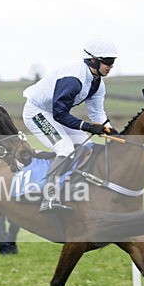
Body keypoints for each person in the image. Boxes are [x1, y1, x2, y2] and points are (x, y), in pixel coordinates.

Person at [22, 38, 119, 212]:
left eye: (113, 61)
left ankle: (72, 186)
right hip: (36, 112)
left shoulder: (97, 83)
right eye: (108, 61)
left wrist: (111, 131)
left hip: (55, 113)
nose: (111, 65)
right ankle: (49, 197)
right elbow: (60, 114)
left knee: (87, 146)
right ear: (93, 60)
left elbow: (97, 114)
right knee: (65, 148)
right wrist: (88, 127)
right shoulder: (73, 80)